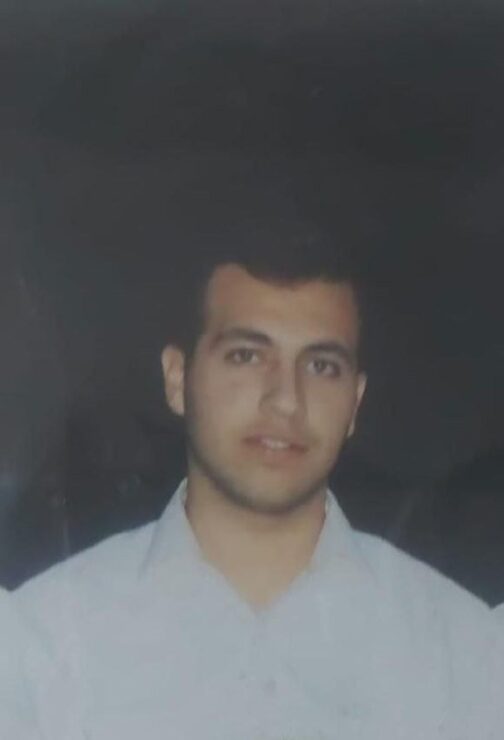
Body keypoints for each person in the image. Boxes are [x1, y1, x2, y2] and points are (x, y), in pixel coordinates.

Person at [12, 209, 504, 739]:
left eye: (321, 366)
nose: (286, 400)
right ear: (178, 379)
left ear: (355, 402)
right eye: (246, 356)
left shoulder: (462, 651)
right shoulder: (41, 645)